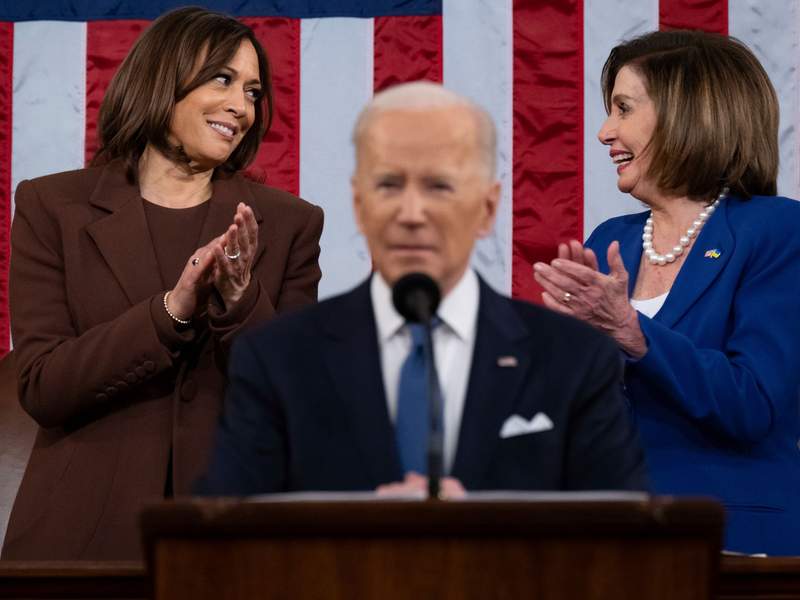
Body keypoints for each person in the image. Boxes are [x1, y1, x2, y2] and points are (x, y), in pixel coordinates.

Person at [195, 82, 648, 497]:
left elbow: (625, 543)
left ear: (487, 209)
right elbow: (222, 541)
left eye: (439, 186)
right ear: (359, 204)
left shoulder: (573, 360)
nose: (412, 212)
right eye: (389, 185)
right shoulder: (279, 358)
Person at [2, 7, 323, 561]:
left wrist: (242, 300)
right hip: (83, 543)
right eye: (222, 79)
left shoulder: (290, 222)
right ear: (161, 77)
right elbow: (42, 386)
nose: (240, 106)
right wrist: (169, 312)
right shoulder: (52, 206)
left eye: (252, 91)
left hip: (236, 543)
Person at [533, 30, 800, 555]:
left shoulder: (775, 230)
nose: (604, 131)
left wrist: (631, 332)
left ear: (687, 115)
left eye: (623, 109)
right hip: (610, 537)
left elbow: (752, 402)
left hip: (733, 542)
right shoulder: (611, 240)